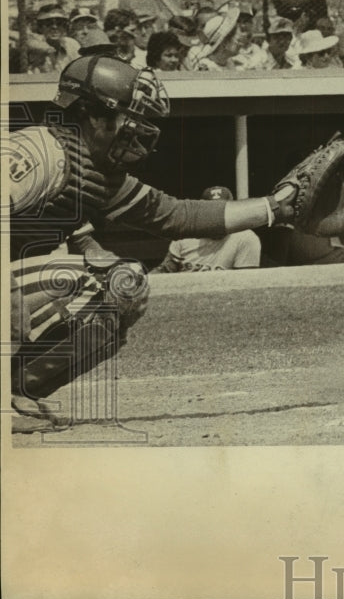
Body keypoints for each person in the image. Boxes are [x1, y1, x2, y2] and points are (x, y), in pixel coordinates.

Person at [7, 51, 303, 431]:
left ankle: (19, 390)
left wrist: (274, 208)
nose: (137, 129)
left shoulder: (92, 169)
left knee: (121, 284)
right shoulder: (33, 153)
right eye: (129, 117)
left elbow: (176, 215)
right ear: (94, 115)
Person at [151, 186, 262, 272]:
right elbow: (166, 270)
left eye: (221, 211)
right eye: (211, 211)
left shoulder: (246, 238)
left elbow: (245, 285)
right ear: (203, 212)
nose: (216, 217)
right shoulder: (186, 233)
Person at [187, 5, 244, 71]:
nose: (241, 44)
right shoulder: (208, 68)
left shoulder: (228, 63)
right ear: (224, 43)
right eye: (238, 40)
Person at [33, 5, 80, 73]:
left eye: (60, 23)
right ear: (40, 27)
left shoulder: (72, 45)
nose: (54, 27)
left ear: (65, 27)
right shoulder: (33, 45)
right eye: (48, 23)